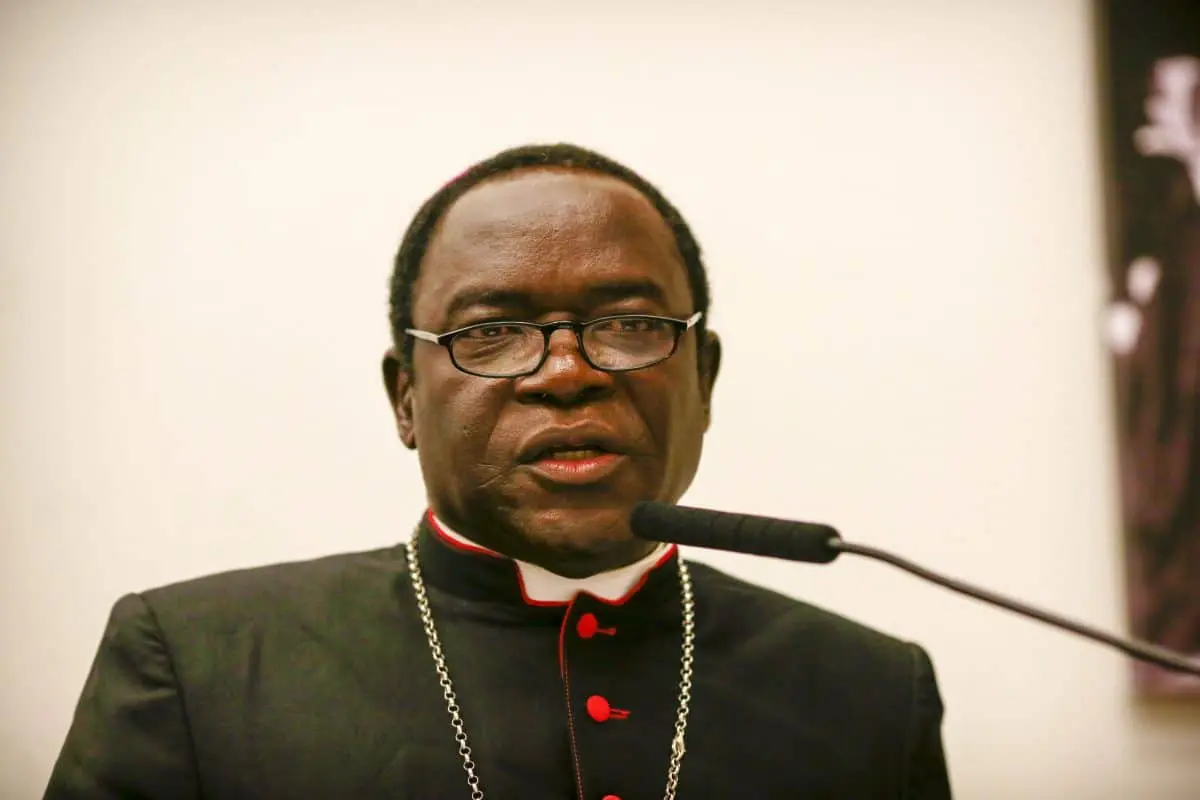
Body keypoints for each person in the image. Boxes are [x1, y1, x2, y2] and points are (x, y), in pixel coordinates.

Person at [44, 143, 953, 798]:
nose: (568, 373)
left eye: (629, 325)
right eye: (491, 332)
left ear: (704, 379)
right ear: (405, 398)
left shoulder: (871, 691)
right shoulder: (195, 664)